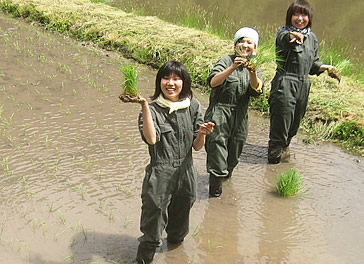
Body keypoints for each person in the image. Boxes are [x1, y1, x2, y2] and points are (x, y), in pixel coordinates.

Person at [135, 61, 215, 264]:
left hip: (186, 170)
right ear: (159, 81)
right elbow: (152, 139)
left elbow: (197, 147)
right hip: (161, 170)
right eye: (166, 78)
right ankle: (145, 257)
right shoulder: (152, 109)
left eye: (176, 78)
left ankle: (175, 254)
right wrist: (144, 105)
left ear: (184, 82)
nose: (170, 83)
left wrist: (203, 133)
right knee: (154, 216)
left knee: (181, 219)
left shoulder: (193, 106)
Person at [268, 0, 339, 164]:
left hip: (303, 84)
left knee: (294, 124)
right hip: (285, 82)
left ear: (309, 17)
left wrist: (326, 68)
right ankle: (272, 164)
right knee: (281, 123)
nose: (300, 18)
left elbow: (313, 65)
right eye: (296, 14)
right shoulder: (283, 33)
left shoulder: (312, 38)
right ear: (289, 17)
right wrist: (293, 36)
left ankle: (284, 155)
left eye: (304, 14)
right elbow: (285, 39)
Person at [204, 27, 264, 197]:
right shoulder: (225, 60)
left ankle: (225, 185)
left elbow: (257, 91)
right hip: (219, 114)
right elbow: (213, 82)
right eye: (241, 41)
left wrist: (252, 71)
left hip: (240, 118)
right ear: (235, 44)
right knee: (217, 155)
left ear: (254, 47)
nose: (245, 45)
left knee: (233, 157)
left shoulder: (255, 67)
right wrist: (232, 67)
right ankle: (215, 197)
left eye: (249, 42)